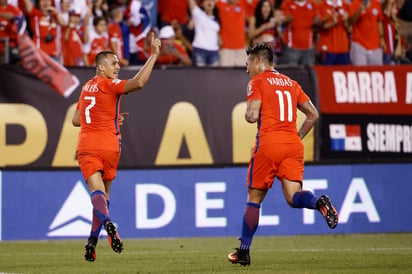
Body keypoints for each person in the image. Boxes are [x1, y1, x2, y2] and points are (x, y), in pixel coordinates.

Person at [227, 43, 338, 266]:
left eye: (248, 63)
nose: (246, 68)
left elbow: (251, 115)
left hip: (269, 143)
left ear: (258, 61)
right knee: (293, 197)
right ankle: (318, 203)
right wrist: (297, 136)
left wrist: (250, 112)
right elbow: (313, 114)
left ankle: (244, 251)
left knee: (254, 198)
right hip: (293, 144)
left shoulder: (257, 82)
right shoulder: (292, 83)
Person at [72, 33, 161, 262]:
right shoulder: (111, 85)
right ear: (101, 67)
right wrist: (153, 56)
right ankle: (91, 241)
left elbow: (76, 119)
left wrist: (108, 117)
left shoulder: (86, 87)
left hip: (88, 144)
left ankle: (107, 224)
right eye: (114, 63)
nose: (118, 67)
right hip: (111, 145)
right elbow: (139, 83)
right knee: (104, 196)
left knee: (96, 193)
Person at [279, 0, 320, 65]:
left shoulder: (312, 4)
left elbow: (317, 20)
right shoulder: (287, 3)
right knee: (291, 73)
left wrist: (317, 21)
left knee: (308, 73)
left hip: (309, 47)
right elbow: (282, 20)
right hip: (291, 47)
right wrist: (286, 20)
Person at [348, 0, 385, 65]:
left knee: (376, 72)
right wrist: (359, 10)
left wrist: (382, 38)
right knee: (360, 72)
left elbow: (379, 21)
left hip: (375, 45)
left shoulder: (377, 4)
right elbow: (350, 22)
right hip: (359, 44)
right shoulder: (355, 4)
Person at [188, 0, 220, 67]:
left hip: (214, 51)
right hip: (200, 50)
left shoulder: (217, 19)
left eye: (212, 1)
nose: (209, 2)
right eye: (207, 0)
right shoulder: (198, 14)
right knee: (199, 75)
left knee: (214, 76)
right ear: (202, 4)